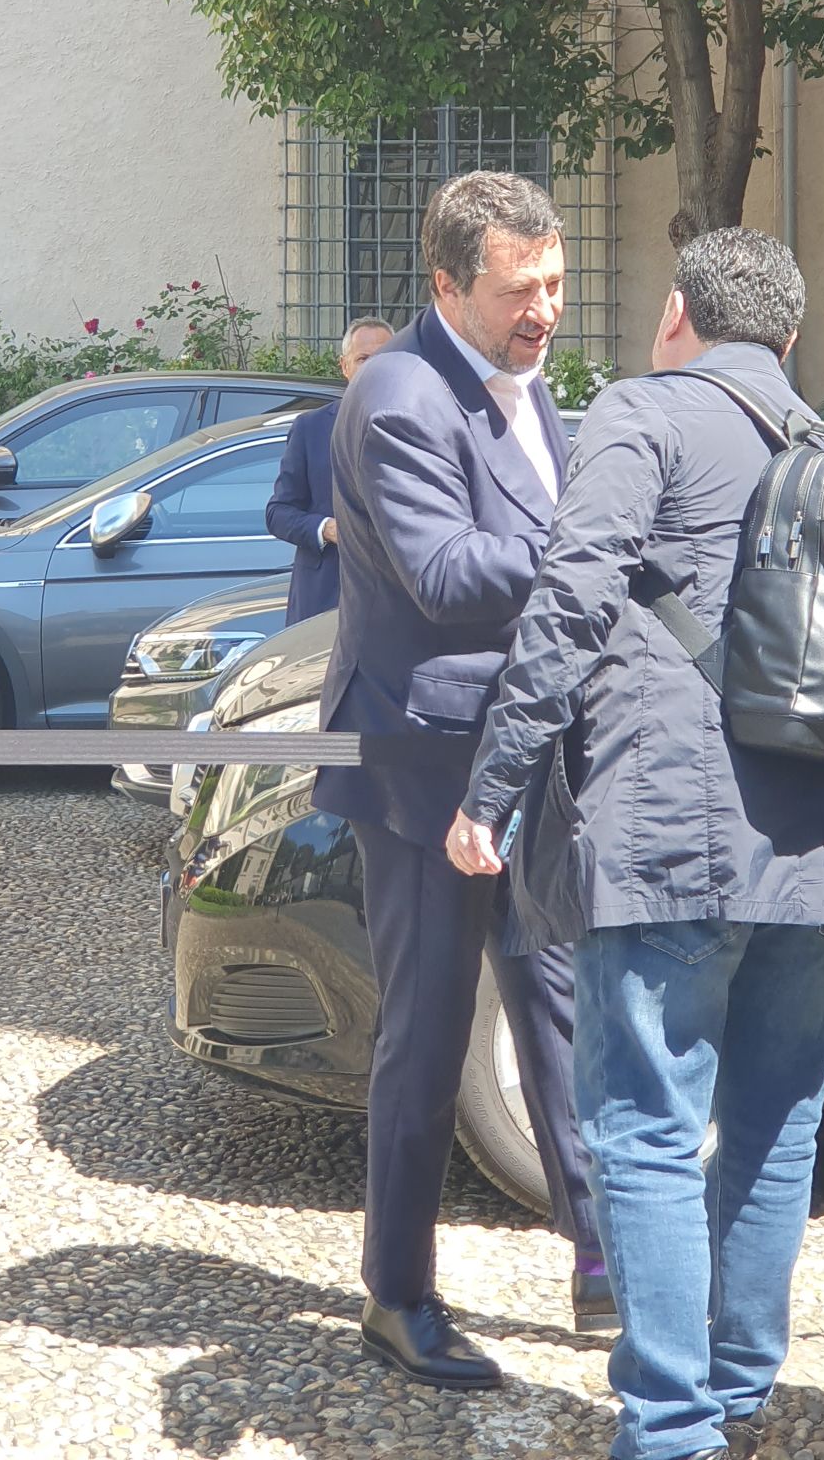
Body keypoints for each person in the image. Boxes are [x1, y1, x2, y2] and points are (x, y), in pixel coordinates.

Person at [448, 227, 824, 1460]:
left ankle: (672, 1428)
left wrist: (492, 788)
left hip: (669, 835)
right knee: (776, 1129)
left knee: (643, 1128)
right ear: (788, 340)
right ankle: (738, 1392)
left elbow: (570, 597)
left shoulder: (639, 413)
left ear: (676, 317)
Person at [312, 171, 609, 1392]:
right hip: (424, 768)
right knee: (428, 1037)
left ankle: (603, 1262)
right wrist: (595, 542)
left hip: (526, 758)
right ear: (445, 285)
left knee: (561, 1014)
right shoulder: (395, 394)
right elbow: (443, 574)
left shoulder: (528, 380)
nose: (545, 311)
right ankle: (398, 1297)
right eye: (517, 290)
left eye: (555, 283)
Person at [265, 318, 393, 625]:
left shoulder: (418, 426)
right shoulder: (311, 428)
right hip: (325, 599)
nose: (372, 367)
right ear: (344, 366)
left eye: (382, 358)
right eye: (362, 358)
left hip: (397, 602)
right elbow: (278, 513)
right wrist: (327, 529)